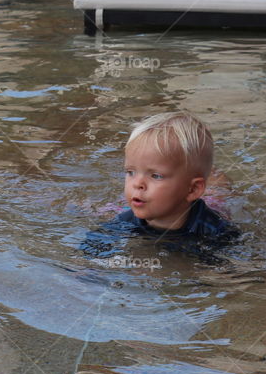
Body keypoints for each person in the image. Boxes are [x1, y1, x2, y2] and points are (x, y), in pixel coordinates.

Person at [82, 112, 238, 262]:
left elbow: (232, 266)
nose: (137, 184)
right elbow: (91, 248)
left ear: (192, 189)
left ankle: (213, 176)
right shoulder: (126, 220)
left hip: (211, 203)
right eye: (130, 172)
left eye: (155, 176)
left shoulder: (214, 229)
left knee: (218, 193)